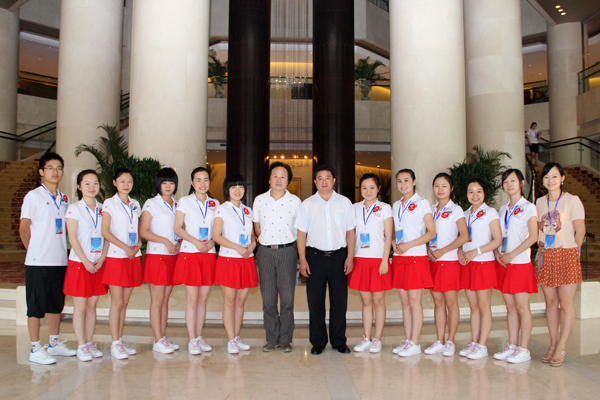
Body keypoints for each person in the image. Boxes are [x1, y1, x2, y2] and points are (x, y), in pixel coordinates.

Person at [19, 152, 76, 364]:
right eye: (50, 168)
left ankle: (54, 343)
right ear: (41, 172)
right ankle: (35, 348)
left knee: (55, 304)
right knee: (35, 306)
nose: (55, 172)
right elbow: (24, 228)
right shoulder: (33, 196)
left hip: (59, 260)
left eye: (59, 168)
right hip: (38, 262)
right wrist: (33, 250)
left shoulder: (64, 199)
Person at [296, 165, 355, 355]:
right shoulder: (307, 204)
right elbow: (301, 234)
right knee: (315, 302)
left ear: (334, 180)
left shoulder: (345, 203)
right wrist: (302, 260)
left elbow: (350, 232)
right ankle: (318, 342)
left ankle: (339, 341)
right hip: (315, 258)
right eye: (320, 178)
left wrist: (350, 257)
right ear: (315, 181)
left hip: (339, 257)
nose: (324, 181)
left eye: (327, 177)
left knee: (340, 302)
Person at [536, 162, 585, 367]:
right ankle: (553, 343)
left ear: (562, 178)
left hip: (566, 254)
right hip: (546, 255)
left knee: (565, 304)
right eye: (547, 177)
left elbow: (580, 231)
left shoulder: (572, 200)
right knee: (550, 303)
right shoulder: (539, 202)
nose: (551, 180)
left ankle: (562, 346)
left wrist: (573, 253)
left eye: (555, 176)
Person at [252, 162, 301, 353]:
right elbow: (257, 228)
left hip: (287, 251)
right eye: (275, 176)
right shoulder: (259, 200)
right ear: (269, 179)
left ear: (288, 181)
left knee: (287, 299)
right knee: (268, 299)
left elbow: (300, 230)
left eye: (283, 176)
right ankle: (272, 338)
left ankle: (286, 338)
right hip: (265, 252)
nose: (279, 180)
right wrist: (266, 242)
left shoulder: (295, 201)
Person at [493, 169, 538, 364]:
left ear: (521, 182)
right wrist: (497, 252)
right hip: (504, 264)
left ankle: (524, 348)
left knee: (522, 307)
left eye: (513, 180)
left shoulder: (529, 207)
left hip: (519, 263)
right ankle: (512, 345)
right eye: (506, 181)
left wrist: (512, 254)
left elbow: (533, 237)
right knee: (510, 307)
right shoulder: (503, 209)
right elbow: (499, 237)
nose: (509, 184)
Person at [173, 167, 220, 355]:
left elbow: (219, 229)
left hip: (208, 253)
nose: (202, 183)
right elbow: (178, 228)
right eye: (198, 180)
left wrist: (212, 241)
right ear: (192, 183)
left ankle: (199, 336)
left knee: (203, 299)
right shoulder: (185, 201)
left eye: (205, 179)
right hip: (191, 253)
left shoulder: (215, 203)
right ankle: (192, 338)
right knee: (192, 299)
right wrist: (196, 242)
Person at [63, 170, 109, 361]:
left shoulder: (103, 208)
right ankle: (81, 345)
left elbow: (107, 235)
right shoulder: (74, 209)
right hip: (80, 264)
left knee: (92, 306)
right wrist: (85, 261)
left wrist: (103, 258)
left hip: (97, 264)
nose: (92, 187)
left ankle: (89, 342)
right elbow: (72, 238)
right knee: (80, 307)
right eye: (87, 183)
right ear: (79, 186)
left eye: (95, 183)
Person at [391, 169, 436, 357]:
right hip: (399, 257)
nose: (403, 184)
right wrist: (393, 243)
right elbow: (394, 230)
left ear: (414, 182)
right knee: (404, 302)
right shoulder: (396, 205)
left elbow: (431, 232)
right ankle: (408, 339)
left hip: (416, 257)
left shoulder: (422, 203)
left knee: (414, 301)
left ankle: (415, 342)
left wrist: (409, 244)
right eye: (399, 181)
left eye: (406, 180)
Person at [213, 173, 259, 354]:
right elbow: (216, 236)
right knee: (230, 301)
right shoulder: (221, 209)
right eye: (233, 187)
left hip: (246, 259)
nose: (238, 190)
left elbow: (252, 235)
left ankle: (237, 336)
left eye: (241, 186)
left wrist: (253, 244)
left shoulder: (248, 210)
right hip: (229, 259)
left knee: (240, 301)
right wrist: (237, 248)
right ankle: (230, 339)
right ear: (227, 190)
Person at [424, 173, 468, 357]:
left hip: (449, 262)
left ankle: (450, 341)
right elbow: (426, 234)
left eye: (444, 186)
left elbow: (464, 236)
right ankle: (440, 340)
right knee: (438, 302)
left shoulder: (456, 210)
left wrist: (442, 251)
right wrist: (428, 249)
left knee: (451, 303)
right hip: (433, 262)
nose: (440, 189)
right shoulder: (430, 209)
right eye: (437, 185)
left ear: (451, 188)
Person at [458, 178, 502, 360]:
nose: (474, 195)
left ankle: (482, 345)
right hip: (468, 264)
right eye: (471, 191)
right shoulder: (465, 214)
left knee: (484, 306)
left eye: (478, 191)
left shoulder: (490, 212)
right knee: (473, 306)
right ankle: (475, 342)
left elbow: (497, 240)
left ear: (484, 193)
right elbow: (461, 238)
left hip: (483, 263)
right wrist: (460, 251)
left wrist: (476, 251)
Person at [101, 168, 142, 360]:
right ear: (114, 182)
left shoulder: (135, 204)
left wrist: (138, 243)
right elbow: (105, 231)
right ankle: (114, 342)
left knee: (124, 303)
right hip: (116, 257)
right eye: (122, 181)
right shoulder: (109, 204)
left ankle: (120, 339)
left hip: (132, 256)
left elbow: (136, 229)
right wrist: (125, 247)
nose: (126, 185)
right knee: (117, 303)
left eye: (129, 181)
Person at [349, 173, 393, 353]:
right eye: (364, 188)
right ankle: (366, 338)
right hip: (360, 259)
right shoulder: (354, 208)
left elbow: (389, 236)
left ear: (378, 189)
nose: (368, 191)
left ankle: (377, 339)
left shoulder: (385, 208)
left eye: (372, 188)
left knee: (378, 301)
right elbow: (350, 234)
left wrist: (385, 259)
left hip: (378, 260)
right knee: (366, 301)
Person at [140, 168, 181, 354]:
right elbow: (143, 231)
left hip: (173, 257)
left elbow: (180, 229)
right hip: (157, 256)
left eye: (171, 183)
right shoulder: (151, 203)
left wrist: (179, 243)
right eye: (164, 183)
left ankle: (162, 337)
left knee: (165, 299)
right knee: (157, 300)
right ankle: (157, 339)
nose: (168, 186)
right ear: (159, 184)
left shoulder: (177, 204)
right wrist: (165, 241)